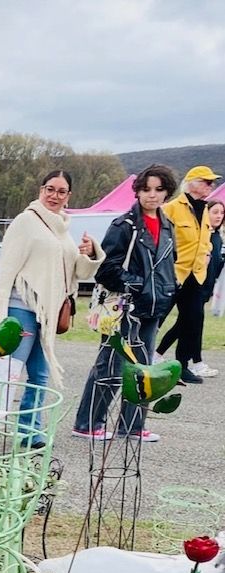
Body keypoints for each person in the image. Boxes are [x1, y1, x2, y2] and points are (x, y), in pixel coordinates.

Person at [0, 169, 103, 447]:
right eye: (50, 189)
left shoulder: (63, 228)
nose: (54, 195)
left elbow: (78, 272)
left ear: (68, 196)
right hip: (20, 306)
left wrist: (91, 252)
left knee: (39, 373)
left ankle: (29, 430)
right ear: (41, 190)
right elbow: (7, 266)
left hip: (47, 314)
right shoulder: (27, 221)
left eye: (61, 191)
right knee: (7, 371)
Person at [72, 164, 178, 444]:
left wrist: (167, 293)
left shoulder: (168, 227)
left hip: (153, 308)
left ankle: (131, 425)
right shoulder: (124, 225)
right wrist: (137, 285)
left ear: (167, 192)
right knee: (110, 365)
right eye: (146, 189)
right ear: (138, 190)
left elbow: (168, 266)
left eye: (158, 189)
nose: (151, 195)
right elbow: (106, 269)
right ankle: (87, 422)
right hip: (124, 307)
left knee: (143, 368)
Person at [156, 165, 219, 383]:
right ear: (192, 183)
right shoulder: (172, 208)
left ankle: (181, 366)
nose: (211, 186)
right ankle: (142, 359)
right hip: (173, 274)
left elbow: (205, 239)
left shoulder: (204, 210)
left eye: (212, 182)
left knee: (190, 320)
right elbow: (161, 240)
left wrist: (207, 252)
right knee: (156, 318)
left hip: (196, 275)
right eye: (207, 182)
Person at [194, 198, 224, 377]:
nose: (219, 216)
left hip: (206, 290)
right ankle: (196, 363)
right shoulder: (204, 235)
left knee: (185, 326)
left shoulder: (217, 237)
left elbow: (217, 265)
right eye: (215, 212)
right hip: (196, 288)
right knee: (193, 325)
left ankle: (157, 354)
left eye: (221, 213)